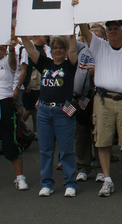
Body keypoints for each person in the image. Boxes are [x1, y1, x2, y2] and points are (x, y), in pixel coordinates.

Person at [76, 0, 122, 198]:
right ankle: (107, 179)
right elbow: (84, 29)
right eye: (109, 28)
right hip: (103, 101)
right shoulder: (98, 46)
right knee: (102, 141)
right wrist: (78, 6)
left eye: (116, 28)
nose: (112, 31)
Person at [20, 34, 78, 197]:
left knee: (66, 149)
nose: (58, 50)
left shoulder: (69, 65)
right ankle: (46, 183)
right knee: (45, 150)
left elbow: (73, 51)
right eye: (55, 48)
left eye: (61, 47)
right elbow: (30, 49)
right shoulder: (45, 63)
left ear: (65, 50)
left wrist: (72, 34)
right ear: (50, 50)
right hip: (44, 111)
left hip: (63, 112)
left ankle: (70, 183)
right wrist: (22, 34)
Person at [74, 23, 105, 182]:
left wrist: (97, 70)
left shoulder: (105, 49)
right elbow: (68, 40)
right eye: (90, 31)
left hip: (98, 97)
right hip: (81, 97)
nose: (92, 33)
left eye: (96, 31)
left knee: (98, 133)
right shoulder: (81, 48)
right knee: (81, 134)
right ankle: (83, 167)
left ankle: (101, 168)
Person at [1, 40, 28, 191]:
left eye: (2, 48)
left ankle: (20, 177)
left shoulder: (8, 61)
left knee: (11, 141)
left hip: (5, 103)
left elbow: (13, 62)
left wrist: (11, 50)